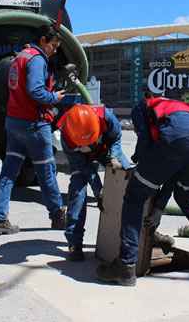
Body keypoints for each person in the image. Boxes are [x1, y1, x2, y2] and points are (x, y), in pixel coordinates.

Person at [96, 96, 189, 286]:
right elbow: (172, 171)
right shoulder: (178, 109)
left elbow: (145, 140)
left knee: (135, 195)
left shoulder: (140, 107)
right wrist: (158, 208)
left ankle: (125, 265)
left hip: (178, 140)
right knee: (186, 197)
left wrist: (141, 166)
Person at [0, 23, 67, 236]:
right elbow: (35, 90)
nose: (55, 50)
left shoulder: (19, 57)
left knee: (8, 173)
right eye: (53, 45)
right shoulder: (37, 59)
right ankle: (58, 216)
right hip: (34, 124)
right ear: (42, 41)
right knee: (46, 171)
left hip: (14, 123)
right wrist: (54, 97)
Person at [57, 104, 131, 261]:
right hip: (81, 161)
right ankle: (74, 242)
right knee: (77, 192)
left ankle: (135, 235)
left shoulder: (106, 116)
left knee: (129, 181)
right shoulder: (66, 136)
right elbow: (85, 167)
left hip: (107, 151)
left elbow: (116, 138)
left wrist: (114, 157)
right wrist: (100, 191)